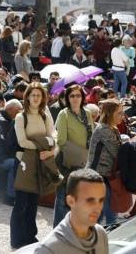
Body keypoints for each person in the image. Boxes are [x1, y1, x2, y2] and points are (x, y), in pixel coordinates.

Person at [11, 82, 55, 249]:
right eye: (33, 94)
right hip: (24, 162)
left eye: (39, 95)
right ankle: (16, 239)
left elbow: (53, 139)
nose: (36, 98)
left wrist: (48, 147)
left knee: (33, 203)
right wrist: (44, 144)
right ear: (27, 96)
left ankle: (30, 236)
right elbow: (22, 141)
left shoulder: (45, 116)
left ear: (43, 97)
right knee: (21, 203)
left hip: (40, 162)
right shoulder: (21, 117)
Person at [35, 169, 108, 254]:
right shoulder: (48, 249)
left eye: (101, 200)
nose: (97, 208)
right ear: (71, 201)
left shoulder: (101, 234)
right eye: (90, 201)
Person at [54, 85, 94, 227]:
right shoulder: (63, 114)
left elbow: (92, 136)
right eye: (72, 96)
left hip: (84, 164)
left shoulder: (87, 113)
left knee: (78, 202)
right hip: (68, 163)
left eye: (78, 95)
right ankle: (57, 235)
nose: (75, 98)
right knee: (63, 200)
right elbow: (61, 141)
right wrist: (80, 153)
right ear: (67, 98)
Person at [87, 99, 124, 226]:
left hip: (107, 176)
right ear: (109, 113)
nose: (122, 116)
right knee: (109, 214)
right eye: (119, 113)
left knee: (103, 213)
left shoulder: (113, 129)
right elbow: (117, 152)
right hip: (98, 176)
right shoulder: (104, 130)